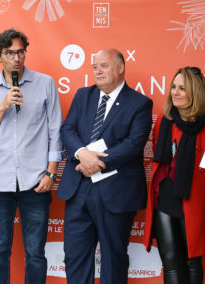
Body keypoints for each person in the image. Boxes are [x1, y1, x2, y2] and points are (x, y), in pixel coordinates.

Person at [57, 48, 153, 284]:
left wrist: (95, 162)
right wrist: (82, 154)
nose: (97, 71)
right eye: (94, 67)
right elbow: (68, 129)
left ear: (120, 68)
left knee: (113, 258)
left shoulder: (140, 103)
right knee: (75, 257)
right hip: (79, 188)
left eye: (103, 66)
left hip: (115, 191)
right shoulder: (83, 95)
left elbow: (134, 144)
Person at [0, 29, 63, 283]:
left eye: (20, 52)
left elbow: (56, 131)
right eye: (9, 53)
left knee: (35, 253)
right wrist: (2, 106)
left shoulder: (45, 83)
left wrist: (50, 173)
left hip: (36, 181)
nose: (16, 58)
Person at [142, 67, 205, 284]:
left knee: (192, 261)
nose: (175, 92)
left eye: (182, 88)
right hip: (164, 200)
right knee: (170, 262)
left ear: (196, 92)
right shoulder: (165, 122)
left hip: (193, 201)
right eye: (173, 87)